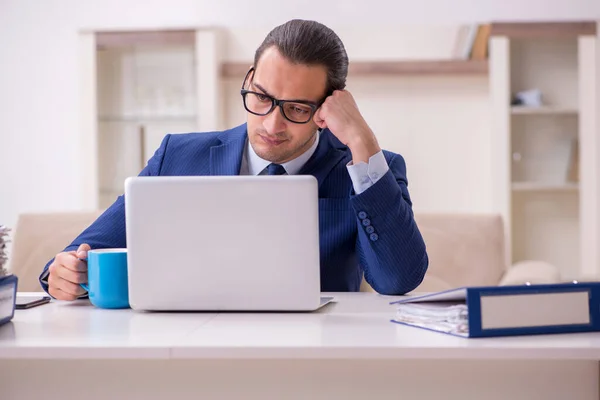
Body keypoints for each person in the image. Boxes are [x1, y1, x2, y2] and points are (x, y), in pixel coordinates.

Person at [39, 19, 428, 299]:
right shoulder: (177, 155)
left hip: (312, 357)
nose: (271, 123)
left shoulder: (372, 170)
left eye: (295, 108)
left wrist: (362, 140)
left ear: (329, 105)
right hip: (186, 351)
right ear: (248, 79)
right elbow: (82, 252)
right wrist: (65, 274)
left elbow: (398, 279)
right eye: (260, 97)